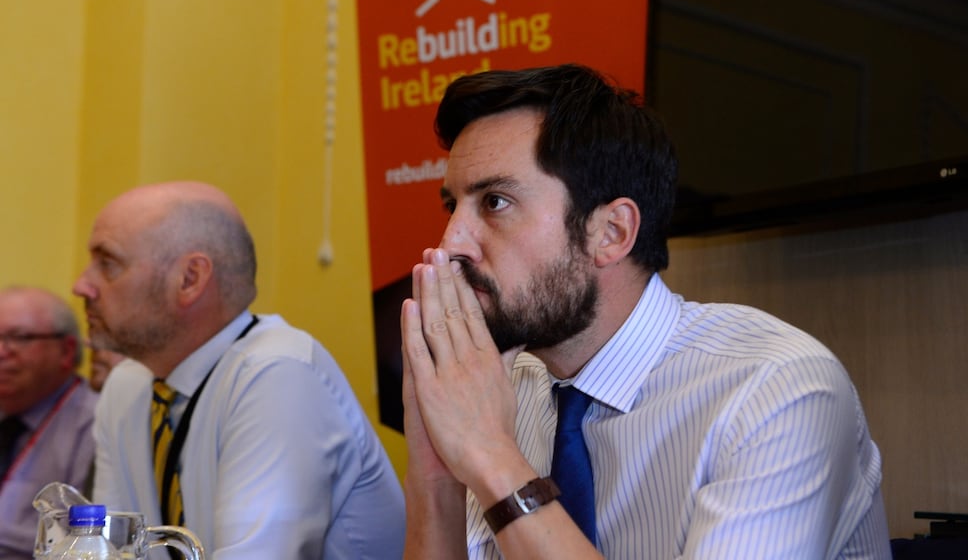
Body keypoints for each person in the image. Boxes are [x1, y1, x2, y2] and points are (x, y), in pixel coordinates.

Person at [400, 64, 892, 559]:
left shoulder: (776, 389)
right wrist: (436, 472)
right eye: (452, 207)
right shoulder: (501, 388)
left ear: (611, 232)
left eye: (495, 201)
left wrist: (490, 456)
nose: (451, 243)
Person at [72, 181, 405, 560]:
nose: (81, 285)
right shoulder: (127, 385)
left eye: (108, 264)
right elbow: (107, 552)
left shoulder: (278, 374)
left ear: (189, 279)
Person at [0, 286, 99, 559]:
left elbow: (84, 541)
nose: (1, 351)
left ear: (66, 351)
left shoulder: (96, 424)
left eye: (18, 338)